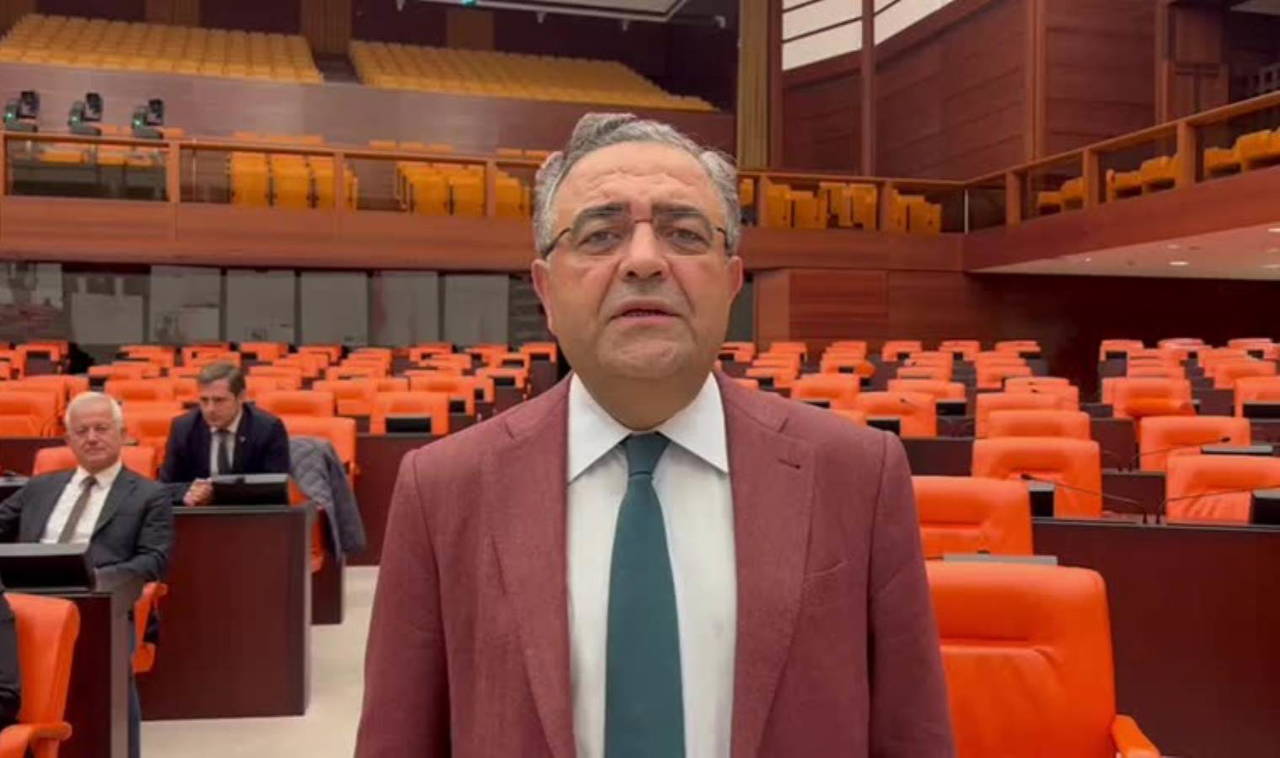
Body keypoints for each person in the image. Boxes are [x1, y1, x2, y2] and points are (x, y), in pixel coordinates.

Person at [356, 113, 954, 757]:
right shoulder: (442, 488)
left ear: (731, 283)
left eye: (684, 233)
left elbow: (912, 736)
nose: (643, 261)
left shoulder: (858, 473)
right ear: (546, 291)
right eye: (600, 235)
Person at [0, 391, 173, 758]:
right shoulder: (40, 487)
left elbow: (153, 560)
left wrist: (98, 582)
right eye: (81, 431)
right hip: (25, 602)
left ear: (122, 434)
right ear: (68, 440)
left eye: (101, 429)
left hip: (101, 604)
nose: (91, 438)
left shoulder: (148, 494)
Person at [160, 361, 290, 506]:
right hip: (199, 514)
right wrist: (189, 492)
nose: (210, 409)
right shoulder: (184, 428)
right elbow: (165, 487)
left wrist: (219, 494)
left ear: (241, 397)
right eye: (204, 400)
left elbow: (275, 489)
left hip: (249, 512)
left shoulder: (267, 428)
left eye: (219, 400)